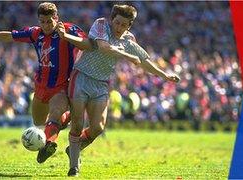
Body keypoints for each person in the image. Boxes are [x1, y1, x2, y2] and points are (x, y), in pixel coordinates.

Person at [0, 2, 91, 164]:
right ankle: (65, 118)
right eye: (42, 22)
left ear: (56, 18)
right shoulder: (35, 33)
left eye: (49, 21)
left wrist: (69, 38)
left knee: (54, 115)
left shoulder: (69, 29)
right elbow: (8, 35)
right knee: (38, 122)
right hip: (41, 87)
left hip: (62, 86)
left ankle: (49, 143)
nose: (45, 25)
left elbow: (89, 44)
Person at [59, 4, 180, 176]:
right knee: (77, 124)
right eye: (117, 23)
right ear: (112, 19)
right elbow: (103, 47)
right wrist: (127, 55)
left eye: (124, 25)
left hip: (101, 83)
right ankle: (73, 167)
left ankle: (73, 148)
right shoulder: (101, 25)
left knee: (98, 128)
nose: (119, 28)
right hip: (81, 78)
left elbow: (143, 60)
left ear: (130, 25)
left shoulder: (129, 39)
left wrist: (164, 75)